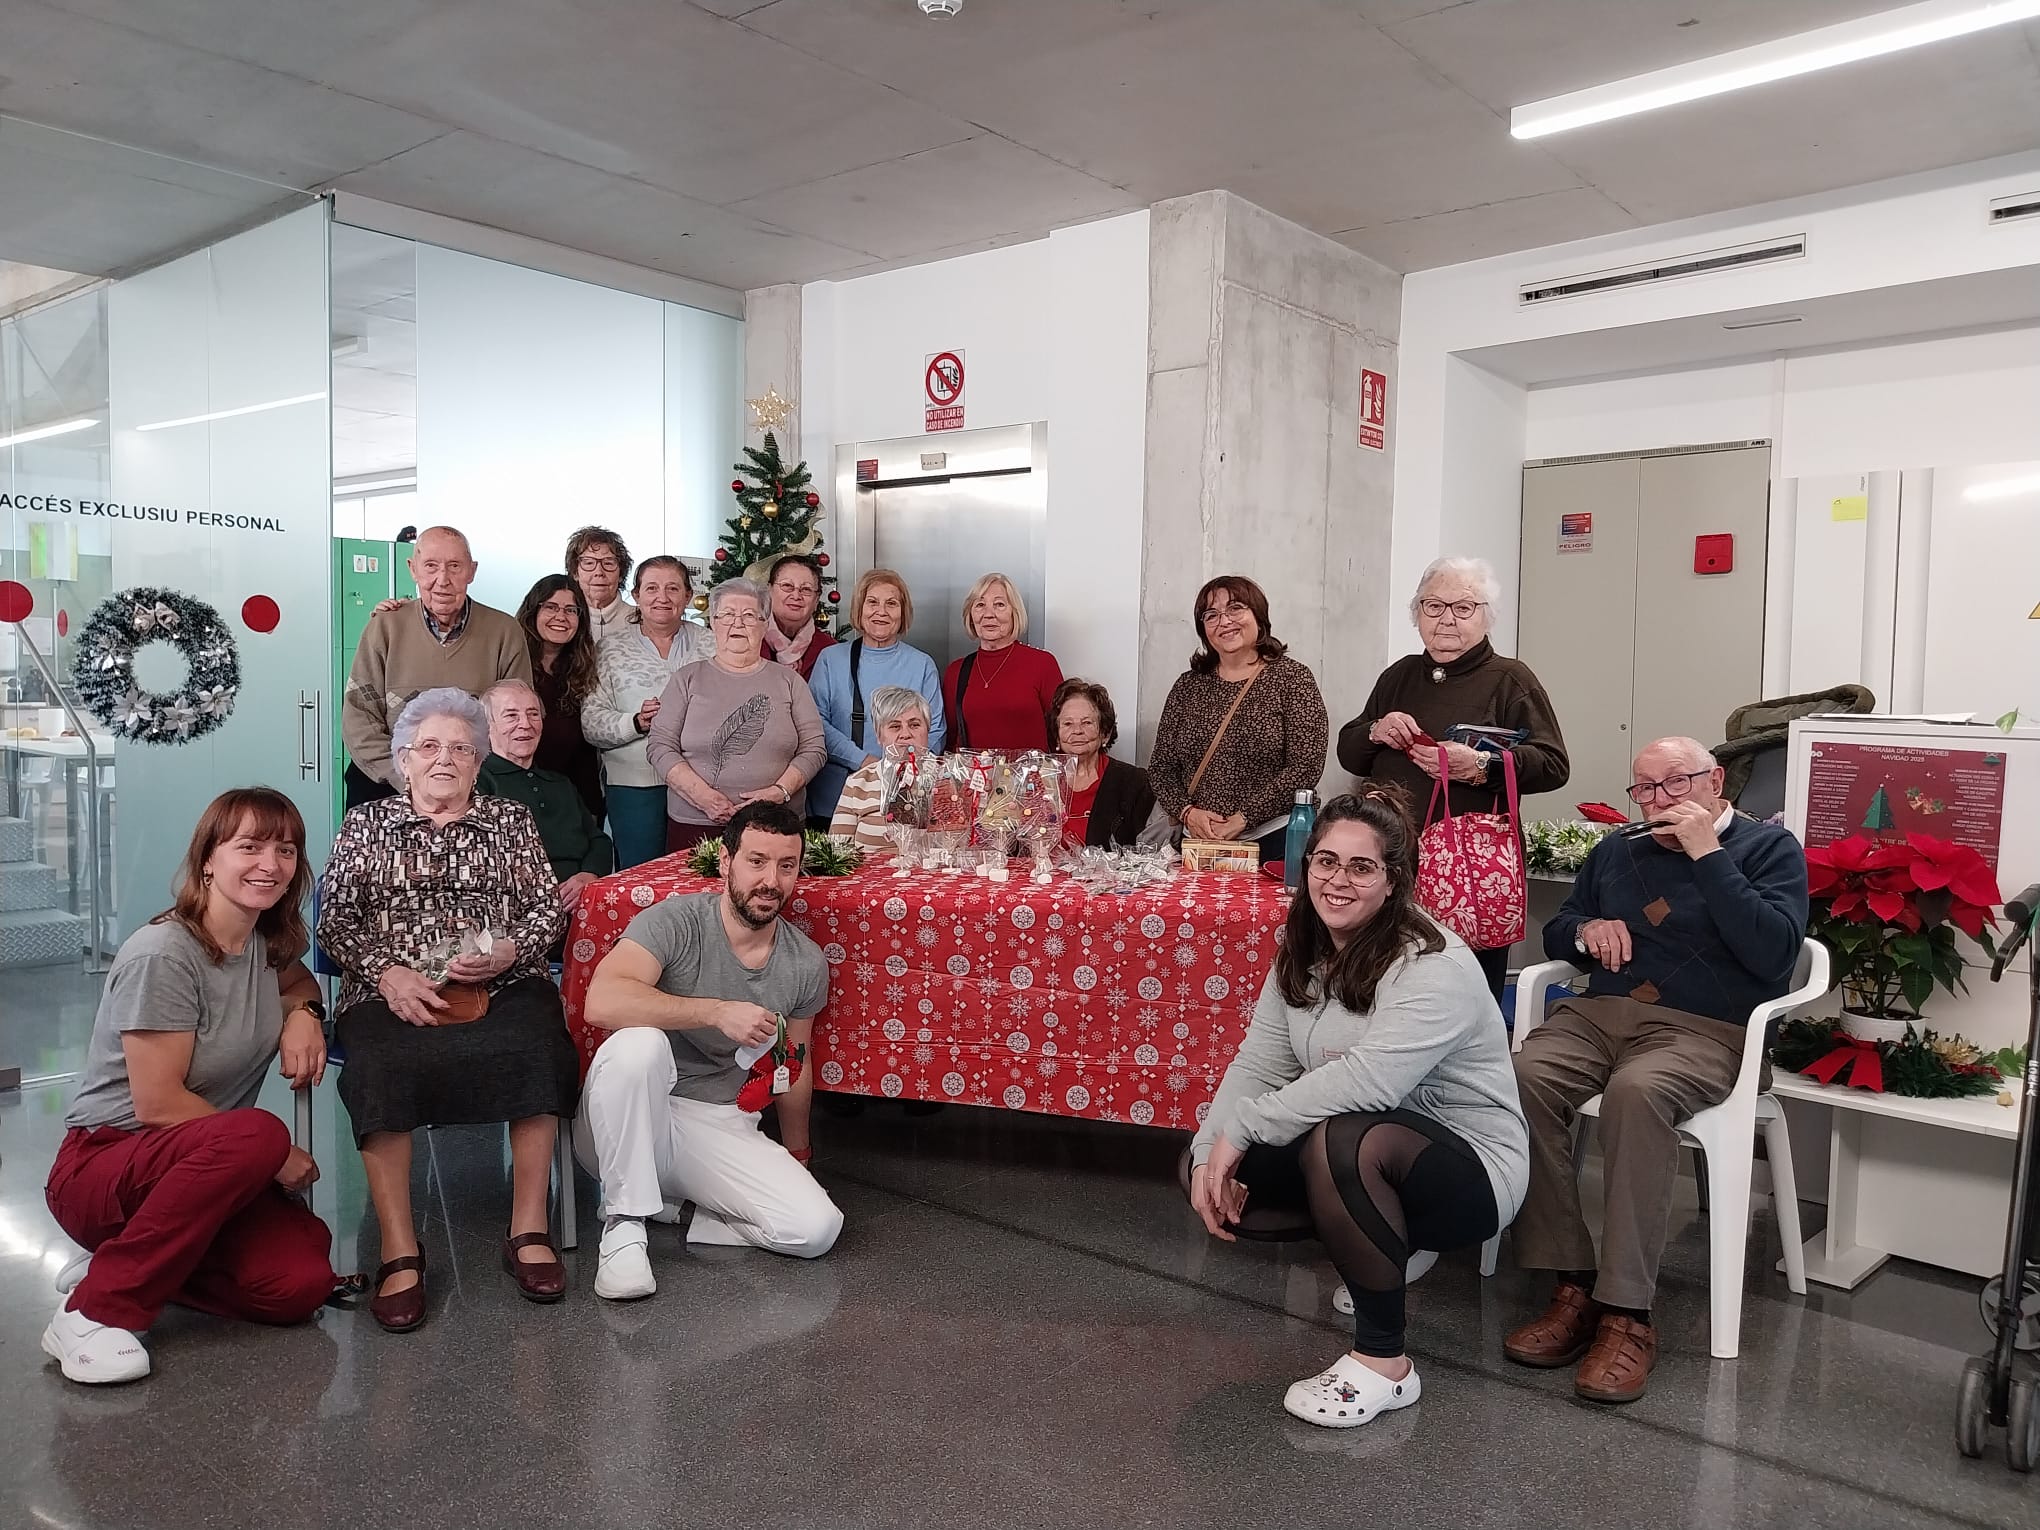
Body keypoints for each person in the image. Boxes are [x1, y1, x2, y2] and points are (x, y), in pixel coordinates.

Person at [1189, 790, 1526, 1429]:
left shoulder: (1436, 965)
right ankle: (1385, 1244)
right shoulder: (1305, 947)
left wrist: (1248, 1127)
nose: (1337, 881)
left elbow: (1369, 1082)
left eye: (1361, 867)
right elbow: (1260, 1063)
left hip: (1472, 1166)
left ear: (1395, 880)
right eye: (1325, 861)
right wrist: (1214, 1152)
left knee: (1346, 1141)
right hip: (1366, 1141)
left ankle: (1385, 1364)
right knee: (1202, 1170)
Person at [1503, 737, 1808, 1404]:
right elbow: (1562, 929)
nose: (1660, 801)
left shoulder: (1768, 850)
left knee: (1636, 1094)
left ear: (1716, 780)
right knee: (1519, 1078)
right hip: (1601, 1015)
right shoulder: (1620, 848)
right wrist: (1585, 933)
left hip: (1708, 1032)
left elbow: (1773, 953)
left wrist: (1708, 855)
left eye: (1677, 784)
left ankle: (1627, 1315)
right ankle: (1573, 1281)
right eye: (1644, 789)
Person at [40, 788, 335, 1385]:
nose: (270, 864)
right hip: (107, 1163)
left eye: (285, 850)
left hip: (207, 1171)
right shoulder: (164, 954)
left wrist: (306, 1011)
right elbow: (156, 1103)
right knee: (258, 1132)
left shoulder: (263, 944)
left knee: (300, 1284)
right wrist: (273, 1155)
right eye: (248, 846)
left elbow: (300, 978)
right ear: (208, 858)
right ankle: (92, 1310)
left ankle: (121, 1264)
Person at [317, 688, 579, 1332]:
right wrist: (389, 971)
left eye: (460, 748)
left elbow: (546, 907)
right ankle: (401, 1250)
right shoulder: (366, 825)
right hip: (388, 987)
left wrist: (512, 948)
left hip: (503, 980)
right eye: (428, 747)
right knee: (380, 1063)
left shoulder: (509, 820)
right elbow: (335, 921)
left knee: (539, 1043)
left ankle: (528, 1228)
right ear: (403, 760)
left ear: (477, 761)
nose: (444, 759)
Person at [578, 800, 843, 1301]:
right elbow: (602, 1001)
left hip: (717, 1121)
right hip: (627, 1111)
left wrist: (798, 1155)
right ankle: (624, 1227)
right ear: (725, 863)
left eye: (786, 866)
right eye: (757, 861)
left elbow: (794, 1063)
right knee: (639, 1044)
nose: (771, 880)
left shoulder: (804, 962)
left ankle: (676, 1205)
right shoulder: (675, 921)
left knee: (816, 1229)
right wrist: (714, 1011)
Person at [1337, 556, 1570, 1004]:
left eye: (1463, 608)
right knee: (1387, 987)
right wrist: (1375, 730)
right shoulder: (1399, 674)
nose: (1446, 620)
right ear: (1416, 613)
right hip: (1394, 858)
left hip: (1469, 868)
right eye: (1433, 606)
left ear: (1487, 616)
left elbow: (1554, 764)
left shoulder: (1510, 679)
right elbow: (1351, 753)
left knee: (1465, 993)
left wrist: (1482, 766)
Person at [341, 525, 531, 811]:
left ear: (472, 571)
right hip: (386, 785)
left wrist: (461, 782)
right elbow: (359, 718)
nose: (443, 579)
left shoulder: (505, 632)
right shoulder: (384, 627)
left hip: (476, 789)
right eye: (431, 566)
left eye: (455, 566)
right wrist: (409, 778)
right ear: (413, 569)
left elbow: (514, 724)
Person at [1148, 574, 1329, 856]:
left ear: (1258, 616)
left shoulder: (1292, 678)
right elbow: (1161, 766)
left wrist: (1244, 817)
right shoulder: (1188, 685)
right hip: (1199, 842)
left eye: (1235, 608)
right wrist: (1187, 813)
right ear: (1203, 629)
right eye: (1211, 615)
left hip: (1274, 839)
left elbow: (1305, 765)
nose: (1224, 621)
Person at [646, 579, 827, 855]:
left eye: (749, 616)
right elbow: (660, 746)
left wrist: (780, 792)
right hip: (696, 824)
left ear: (764, 625)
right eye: (728, 615)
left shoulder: (789, 681)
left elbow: (814, 748)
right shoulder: (687, 679)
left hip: (776, 827)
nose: (737, 624)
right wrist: (703, 797)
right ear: (713, 623)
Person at [583, 556, 717, 868]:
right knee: (641, 877)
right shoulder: (609, 649)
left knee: (698, 877)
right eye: (652, 588)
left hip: (703, 785)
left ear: (687, 596)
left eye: (673, 588)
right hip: (635, 787)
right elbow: (591, 722)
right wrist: (636, 722)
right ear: (635, 595)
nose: (662, 597)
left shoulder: (711, 644)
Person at [807, 568, 946, 826]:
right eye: (872, 602)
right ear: (860, 608)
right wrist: (865, 762)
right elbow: (816, 724)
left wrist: (903, 770)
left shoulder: (921, 664)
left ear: (902, 613)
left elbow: (935, 729)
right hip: (835, 800)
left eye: (891, 604)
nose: (881, 611)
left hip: (906, 799)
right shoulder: (831, 660)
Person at [477, 680, 615, 915]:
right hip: (522, 909)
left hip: (585, 899)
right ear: (486, 726)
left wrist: (588, 874)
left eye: (533, 714)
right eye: (511, 716)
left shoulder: (559, 783)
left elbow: (599, 840)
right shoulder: (478, 783)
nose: (525, 725)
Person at [515, 574, 605, 821]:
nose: (561, 617)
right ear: (533, 611)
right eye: (551, 607)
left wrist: (592, 812)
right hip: (514, 796)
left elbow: (584, 751)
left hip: (567, 799)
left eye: (571, 610)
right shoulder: (511, 663)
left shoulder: (584, 669)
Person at [940, 573, 1063, 752]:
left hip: (1031, 778)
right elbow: (951, 740)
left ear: (1015, 613)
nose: (989, 614)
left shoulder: (1043, 664)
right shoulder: (956, 672)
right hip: (976, 778)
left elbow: (1062, 731)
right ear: (970, 614)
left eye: (999, 605)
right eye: (980, 605)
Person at [1049, 678, 1154, 849]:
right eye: (1067, 723)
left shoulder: (1134, 782)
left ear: (1105, 733)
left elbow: (1147, 849)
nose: (1077, 731)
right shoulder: (1038, 782)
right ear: (1057, 736)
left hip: (1110, 875)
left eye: (1087, 723)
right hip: (1047, 875)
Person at [827, 685, 930, 854]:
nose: (905, 734)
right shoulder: (858, 782)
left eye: (914, 725)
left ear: (927, 730)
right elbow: (836, 854)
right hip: (869, 880)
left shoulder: (949, 778)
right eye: (895, 727)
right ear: (879, 736)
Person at [762, 553, 836, 681]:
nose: (796, 596)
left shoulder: (830, 651)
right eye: (787, 586)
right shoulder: (750, 642)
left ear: (816, 600)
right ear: (769, 590)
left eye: (806, 589)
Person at [566, 525, 636, 644]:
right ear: (575, 573)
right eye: (589, 563)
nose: (599, 572)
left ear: (621, 574)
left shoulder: (641, 620)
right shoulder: (564, 621)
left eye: (608, 563)